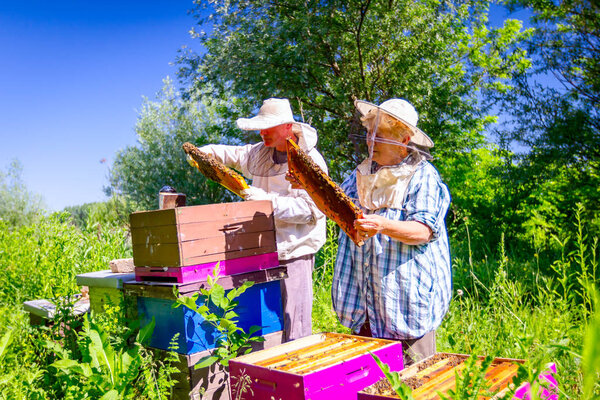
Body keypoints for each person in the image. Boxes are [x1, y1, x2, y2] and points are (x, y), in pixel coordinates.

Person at [332, 98, 452, 365]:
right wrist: (307, 187)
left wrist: (381, 225)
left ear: (404, 140)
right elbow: (337, 209)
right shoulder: (358, 175)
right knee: (368, 387)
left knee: (414, 385)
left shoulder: (423, 176)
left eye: (380, 135)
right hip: (363, 307)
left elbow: (422, 231)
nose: (370, 141)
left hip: (405, 306)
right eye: (368, 133)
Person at [197, 98, 327, 341]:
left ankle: (298, 373)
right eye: (261, 127)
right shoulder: (260, 153)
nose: (262, 132)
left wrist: (266, 201)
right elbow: (232, 153)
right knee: (270, 330)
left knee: (295, 326)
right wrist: (204, 152)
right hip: (264, 253)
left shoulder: (310, 160)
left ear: (288, 127)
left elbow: (311, 210)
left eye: (269, 127)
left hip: (295, 252)